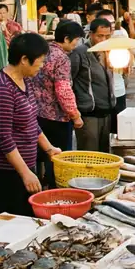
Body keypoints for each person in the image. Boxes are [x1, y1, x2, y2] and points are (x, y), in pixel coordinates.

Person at [0, 33, 59, 216]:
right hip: (3, 172)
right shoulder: (2, 88)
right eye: (39, 62)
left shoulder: (25, 81)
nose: (41, 67)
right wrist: (25, 173)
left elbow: (31, 121)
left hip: (24, 165)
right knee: (10, 221)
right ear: (24, 59)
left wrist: (49, 149)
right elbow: (4, 138)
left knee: (27, 218)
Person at [30, 22, 83, 188]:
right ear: (66, 39)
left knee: (41, 154)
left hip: (37, 114)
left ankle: (41, 184)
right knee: (58, 158)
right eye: (76, 40)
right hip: (57, 117)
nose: (77, 44)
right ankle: (55, 190)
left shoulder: (44, 52)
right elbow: (63, 90)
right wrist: (75, 115)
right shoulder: (61, 58)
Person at [71, 18, 115, 153]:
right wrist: (74, 113)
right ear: (91, 34)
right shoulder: (79, 53)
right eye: (99, 36)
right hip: (88, 113)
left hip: (106, 110)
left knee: (105, 153)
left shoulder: (109, 51)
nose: (103, 40)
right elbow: (68, 81)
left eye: (107, 36)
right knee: (89, 153)